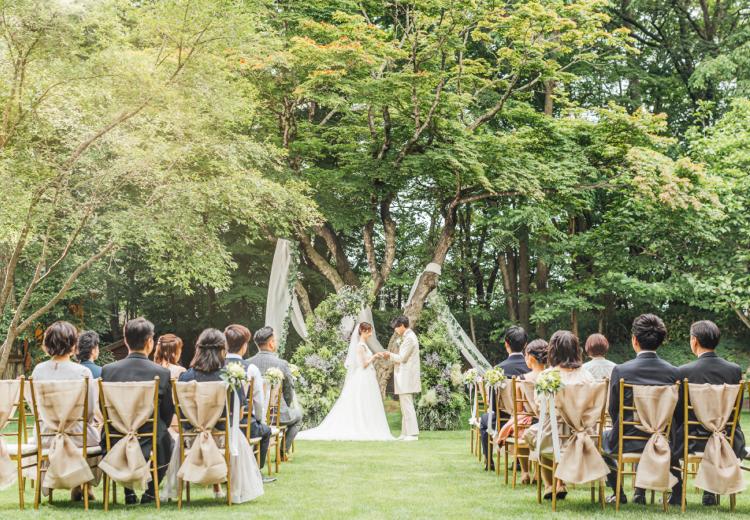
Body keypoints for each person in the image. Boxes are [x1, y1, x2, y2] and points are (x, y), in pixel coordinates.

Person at [177, 328, 264, 503]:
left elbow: (181, 413)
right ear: (223, 349)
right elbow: (239, 415)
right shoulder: (230, 377)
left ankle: (200, 491)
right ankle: (234, 489)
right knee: (236, 434)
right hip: (224, 438)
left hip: (192, 438)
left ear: (198, 349)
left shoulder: (185, 377)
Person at [602, 313, 680, 506]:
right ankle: (673, 494)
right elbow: (676, 413)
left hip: (626, 440)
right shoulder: (674, 373)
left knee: (600, 439)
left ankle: (618, 492)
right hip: (663, 440)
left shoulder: (621, 371)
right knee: (667, 438)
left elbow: (613, 409)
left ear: (634, 340)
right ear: (661, 341)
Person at [100, 318, 174, 505]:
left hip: (115, 435)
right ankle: (150, 493)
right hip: (152, 436)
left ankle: (128, 492)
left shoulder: (108, 371)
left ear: (125, 341)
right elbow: (167, 412)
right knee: (168, 441)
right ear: (150, 341)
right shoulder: (161, 373)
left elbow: (104, 409)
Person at [675, 320, 745, 507]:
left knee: (670, 432)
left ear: (694, 341)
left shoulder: (683, 371)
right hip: (726, 437)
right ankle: (709, 493)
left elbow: (679, 412)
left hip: (691, 439)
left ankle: (676, 492)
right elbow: (734, 413)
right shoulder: (734, 370)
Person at [31, 321, 101, 502]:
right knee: (98, 437)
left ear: (47, 345)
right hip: (77, 434)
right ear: (73, 345)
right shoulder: (83, 372)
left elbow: (36, 408)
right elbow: (91, 411)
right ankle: (81, 485)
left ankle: (73, 484)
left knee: (70, 435)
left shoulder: (38, 371)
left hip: (46, 434)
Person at [525, 331, 594, 500]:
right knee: (551, 437)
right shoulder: (587, 376)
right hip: (583, 434)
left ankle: (550, 485)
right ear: (576, 350)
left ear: (553, 351)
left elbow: (540, 407)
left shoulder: (546, 376)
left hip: (552, 433)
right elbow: (592, 406)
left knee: (538, 437)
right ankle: (560, 482)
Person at [298, 322, 394, 441]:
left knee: (367, 401)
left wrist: (375, 356)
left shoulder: (364, 345)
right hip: (363, 376)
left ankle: (369, 424)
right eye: (369, 331)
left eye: (370, 331)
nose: (370, 333)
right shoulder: (360, 346)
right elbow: (363, 364)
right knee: (361, 400)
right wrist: (375, 356)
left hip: (368, 376)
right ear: (363, 331)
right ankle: (361, 425)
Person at [494, 338, 548, 484]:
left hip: (527, 422)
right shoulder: (551, 379)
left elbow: (518, 411)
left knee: (520, 429)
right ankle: (537, 472)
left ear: (530, 358)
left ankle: (525, 472)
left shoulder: (521, 380)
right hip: (547, 422)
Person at [223, 324, 273, 476]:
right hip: (244, 425)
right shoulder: (251, 369)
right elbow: (258, 401)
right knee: (266, 431)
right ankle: (256, 473)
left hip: (218, 426)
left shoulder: (215, 367)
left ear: (225, 344)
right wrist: (260, 420)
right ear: (244, 346)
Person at [247, 326, 303, 455]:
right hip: (277, 415)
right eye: (275, 340)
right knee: (299, 416)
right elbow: (288, 390)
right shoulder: (281, 364)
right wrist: (287, 406)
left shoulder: (247, 363)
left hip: (253, 415)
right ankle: (283, 451)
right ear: (271, 343)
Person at [480, 326, 530, 468]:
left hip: (503, 421)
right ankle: (520, 462)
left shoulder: (498, 370)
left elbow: (494, 404)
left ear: (506, 344)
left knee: (484, 421)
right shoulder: (532, 369)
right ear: (525, 345)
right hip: (527, 420)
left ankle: (489, 461)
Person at [381, 316, 421, 441]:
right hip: (404, 376)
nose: (395, 330)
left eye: (396, 327)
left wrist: (389, 355)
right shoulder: (406, 337)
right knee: (404, 406)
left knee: (407, 406)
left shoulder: (409, 338)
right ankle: (405, 432)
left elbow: (402, 357)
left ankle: (413, 434)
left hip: (407, 376)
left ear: (403, 325)